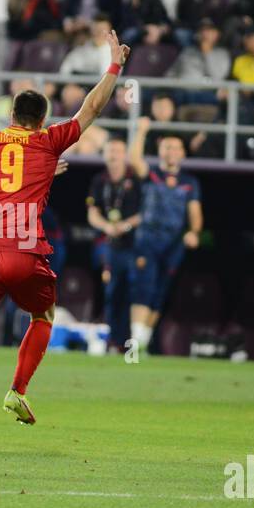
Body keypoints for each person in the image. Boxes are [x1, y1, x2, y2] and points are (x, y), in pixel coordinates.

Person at [0, 31, 131, 432]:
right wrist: (114, 65)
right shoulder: (49, 142)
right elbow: (91, 108)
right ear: (41, 120)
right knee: (43, 314)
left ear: (12, 115)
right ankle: (17, 390)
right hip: (22, 247)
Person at [127, 117, 202, 353]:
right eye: (167, 146)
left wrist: (194, 232)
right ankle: (135, 342)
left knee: (161, 291)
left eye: (176, 147)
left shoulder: (190, 182)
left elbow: (195, 213)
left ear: (183, 153)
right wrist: (141, 132)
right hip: (148, 238)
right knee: (144, 287)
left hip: (173, 242)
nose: (171, 151)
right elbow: (134, 160)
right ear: (159, 149)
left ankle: (143, 343)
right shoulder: (152, 173)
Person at [86, 138, 142, 351]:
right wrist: (107, 227)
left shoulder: (135, 179)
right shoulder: (99, 180)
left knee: (133, 292)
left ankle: (134, 342)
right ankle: (113, 340)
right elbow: (92, 213)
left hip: (134, 244)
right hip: (111, 245)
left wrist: (126, 225)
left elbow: (145, 212)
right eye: (110, 151)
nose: (113, 155)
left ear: (125, 154)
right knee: (111, 292)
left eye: (118, 151)